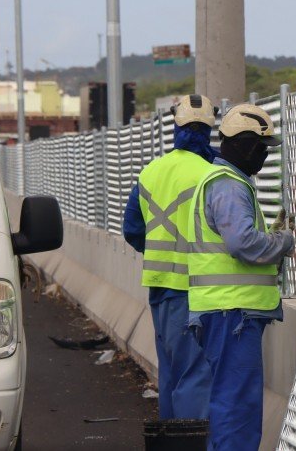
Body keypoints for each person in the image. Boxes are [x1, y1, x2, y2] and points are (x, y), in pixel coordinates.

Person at [186, 103, 294, 450]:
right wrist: (283, 241)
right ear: (247, 145)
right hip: (232, 315)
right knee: (238, 410)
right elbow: (241, 243)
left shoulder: (225, 182)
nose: (264, 155)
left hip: (226, 314)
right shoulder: (229, 186)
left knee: (231, 405)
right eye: (263, 147)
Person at [122, 94, 215, 420]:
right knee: (195, 375)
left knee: (172, 373)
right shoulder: (211, 174)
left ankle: (170, 441)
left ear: (175, 126)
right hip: (198, 290)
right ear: (211, 129)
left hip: (160, 289)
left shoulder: (151, 172)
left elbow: (132, 230)